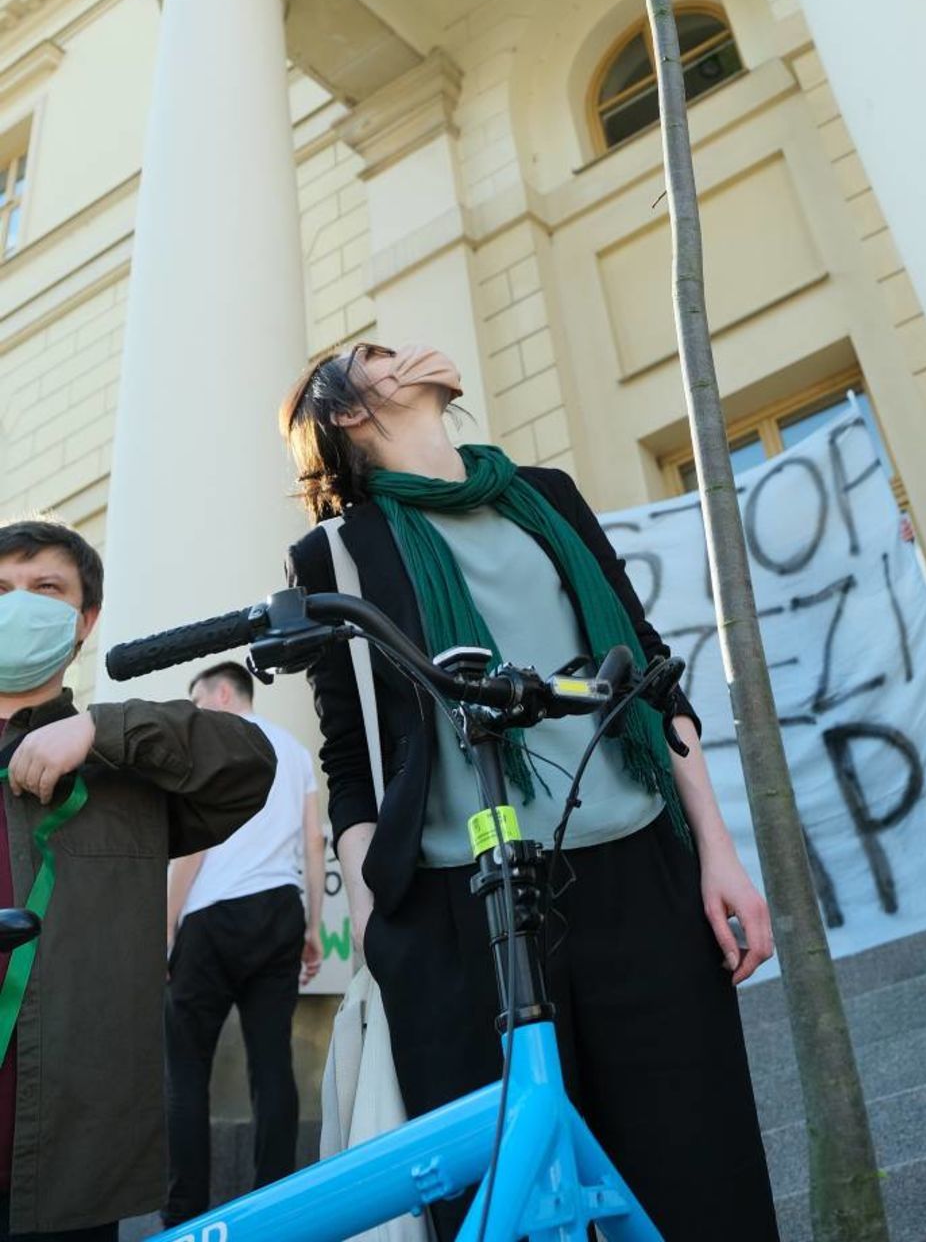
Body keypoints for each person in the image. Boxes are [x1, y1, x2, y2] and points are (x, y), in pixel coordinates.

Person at [281, 340, 781, 1242]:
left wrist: (717, 852)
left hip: (637, 874)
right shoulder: (335, 556)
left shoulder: (544, 497)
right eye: (379, 355)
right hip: (457, 911)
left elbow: (653, 676)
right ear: (347, 411)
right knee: (504, 1212)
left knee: (700, 1180)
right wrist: (380, 920)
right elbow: (350, 761)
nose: (409, 350)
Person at [0, 518, 276, 1242]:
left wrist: (100, 729)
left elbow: (249, 762)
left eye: (46, 587)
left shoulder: (125, 773)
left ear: (85, 619)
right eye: (1, 589)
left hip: (65, 1177)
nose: (18, 604)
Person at [163, 661, 325, 1229]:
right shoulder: (297, 752)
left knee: (185, 1070)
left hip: (212, 914)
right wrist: (311, 925)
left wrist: (167, 924)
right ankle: (275, 1211)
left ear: (224, 692)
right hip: (280, 909)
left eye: (199, 703)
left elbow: (193, 849)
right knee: (272, 1063)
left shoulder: (216, 743)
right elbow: (313, 839)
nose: (197, 715)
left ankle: (184, 1218)